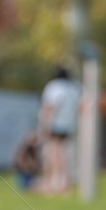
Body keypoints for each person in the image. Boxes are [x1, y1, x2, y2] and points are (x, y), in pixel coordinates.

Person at [39, 67, 80, 195]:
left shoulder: (53, 87)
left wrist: (45, 124)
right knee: (65, 152)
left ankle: (54, 180)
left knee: (54, 152)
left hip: (56, 124)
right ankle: (66, 180)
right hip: (70, 124)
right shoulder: (74, 88)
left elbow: (50, 106)